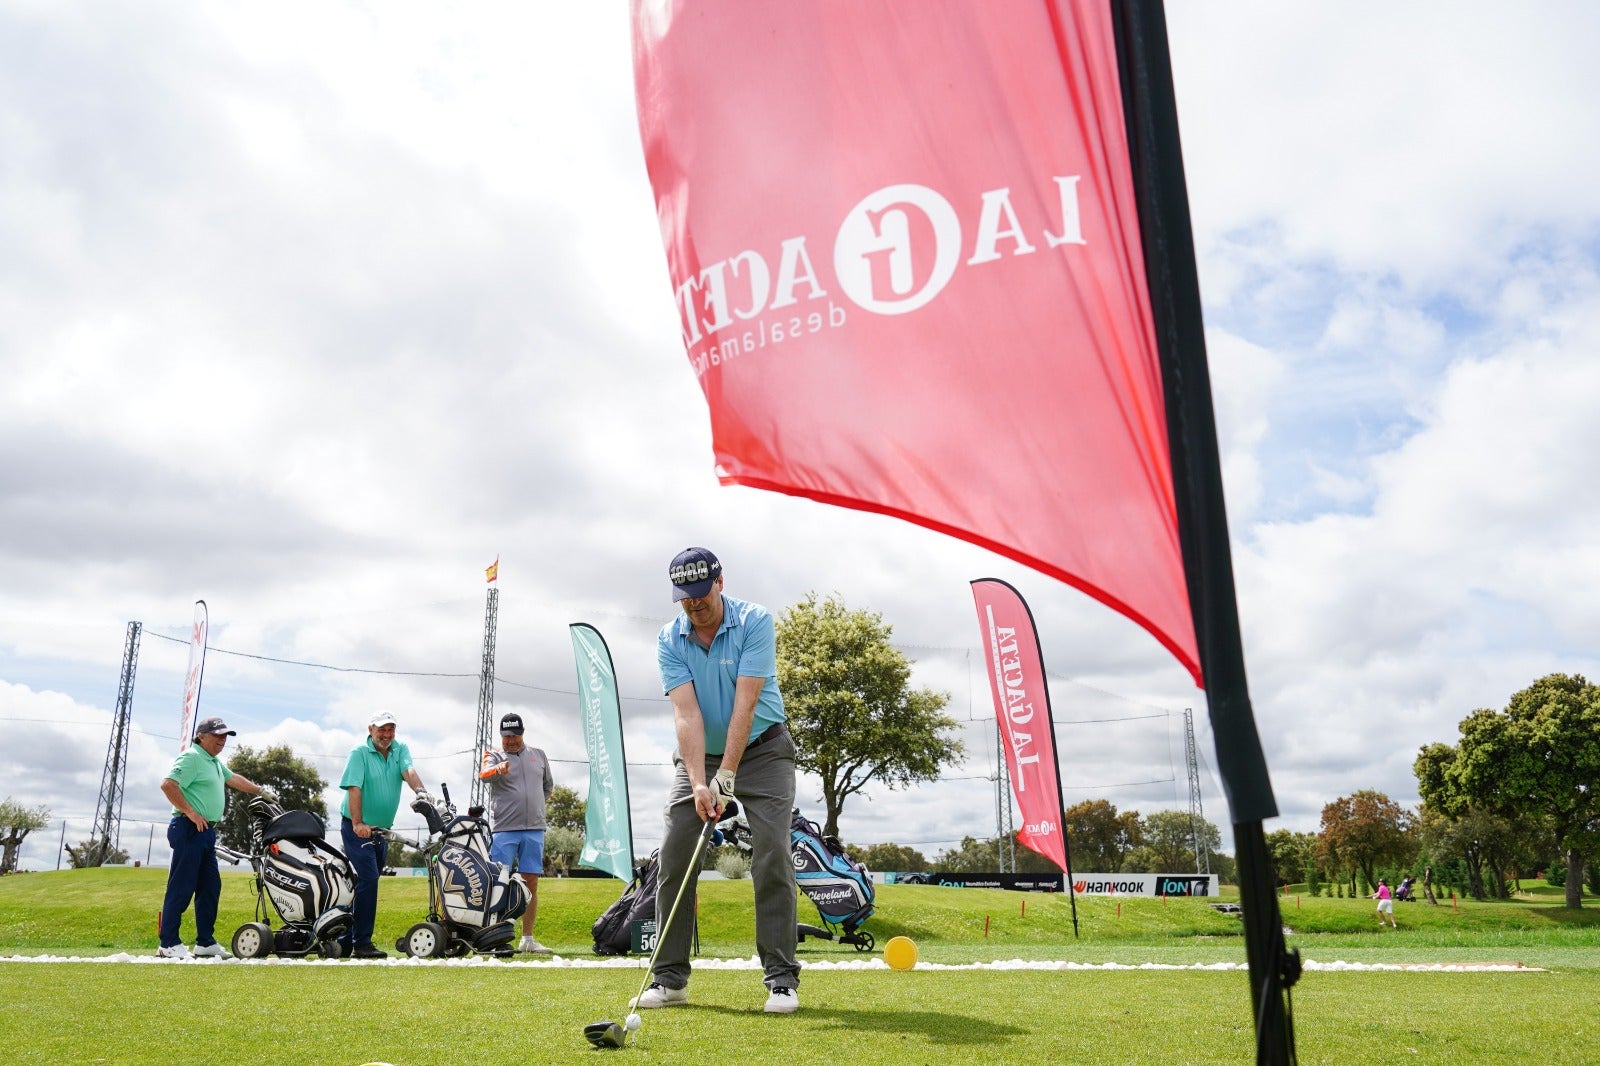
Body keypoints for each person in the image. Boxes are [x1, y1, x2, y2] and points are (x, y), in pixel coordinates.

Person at [634, 547, 800, 1014]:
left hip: (765, 749)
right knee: (675, 852)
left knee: (771, 853)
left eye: (701, 593)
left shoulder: (754, 621)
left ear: (720, 581)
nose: (694, 604)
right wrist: (701, 780)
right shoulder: (671, 639)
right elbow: (686, 715)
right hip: (699, 756)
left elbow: (746, 705)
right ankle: (669, 979)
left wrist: (728, 771)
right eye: (684, 597)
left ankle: (781, 979)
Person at [157, 716, 272, 959]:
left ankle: (205, 943)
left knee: (210, 887)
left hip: (206, 832)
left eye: (225, 736)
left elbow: (235, 780)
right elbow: (168, 784)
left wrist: (260, 791)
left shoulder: (214, 762)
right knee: (182, 886)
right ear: (201, 736)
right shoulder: (192, 757)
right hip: (188, 828)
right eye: (217, 735)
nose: (222, 740)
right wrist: (190, 812)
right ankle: (168, 943)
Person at [339, 710, 429, 958]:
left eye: (391, 730)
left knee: (367, 881)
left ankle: (344, 941)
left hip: (381, 831)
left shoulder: (400, 749)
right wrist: (357, 822)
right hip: (357, 827)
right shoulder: (359, 753)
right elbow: (354, 788)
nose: (387, 735)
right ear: (370, 730)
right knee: (368, 878)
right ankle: (361, 943)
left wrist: (420, 791)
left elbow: (408, 771)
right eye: (382, 730)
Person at [478, 711, 555, 953]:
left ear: (522, 734)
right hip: (504, 829)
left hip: (534, 830)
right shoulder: (493, 755)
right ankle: (495, 937)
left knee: (531, 882)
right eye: (506, 736)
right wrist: (497, 769)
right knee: (499, 882)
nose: (510, 740)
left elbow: (547, 788)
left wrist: (534, 807)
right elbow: (483, 775)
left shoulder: (538, 755)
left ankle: (528, 940)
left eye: (515, 736)